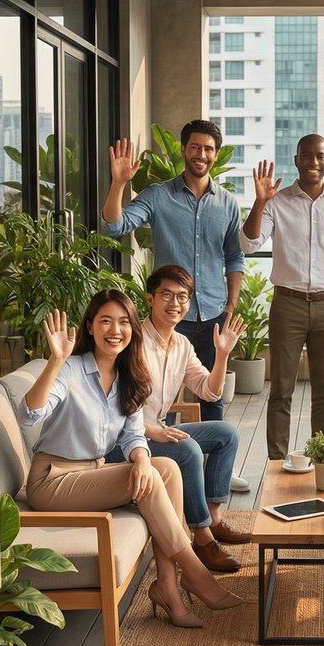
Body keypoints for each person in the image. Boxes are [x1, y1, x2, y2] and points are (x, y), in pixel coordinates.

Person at [21, 291, 243, 628]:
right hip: (52, 480)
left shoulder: (129, 374)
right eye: (106, 321)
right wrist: (54, 361)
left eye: (123, 321)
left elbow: (133, 435)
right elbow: (29, 415)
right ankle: (198, 576)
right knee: (156, 475)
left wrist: (140, 459)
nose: (116, 329)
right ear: (91, 328)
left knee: (163, 468)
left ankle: (168, 586)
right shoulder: (70, 370)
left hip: (93, 473)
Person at [101, 122, 250, 493]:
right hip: (171, 313)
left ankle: (217, 472)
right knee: (154, 391)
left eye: (209, 149)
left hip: (214, 309)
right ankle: (169, 460)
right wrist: (119, 183)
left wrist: (231, 304)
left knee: (212, 394)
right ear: (184, 150)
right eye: (195, 147)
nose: (202, 155)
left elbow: (234, 258)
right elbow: (114, 227)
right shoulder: (158, 195)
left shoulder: (228, 203)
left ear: (216, 154)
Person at [105, 264, 251, 573]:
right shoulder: (132, 342)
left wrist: (222, 355)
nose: (175, 303)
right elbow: (109, 410)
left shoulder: (182, 345)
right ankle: (201, 537)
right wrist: (150, 431)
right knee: (187, 450)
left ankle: (213, 518)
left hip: (157, 432)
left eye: (182, 297)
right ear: (149, 299)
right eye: (167, 295)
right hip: (122, 442)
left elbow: (209, 393)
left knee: (226, 434)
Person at [241, 135, 324, 460]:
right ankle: (278, 464)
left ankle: (322, 459)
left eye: (320, 156)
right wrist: (260, 201)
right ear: (296, 160)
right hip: (287, 305)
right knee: (280, 391)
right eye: (306, 156)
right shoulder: (276, 202)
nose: (313, 162)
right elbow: (249, 244)